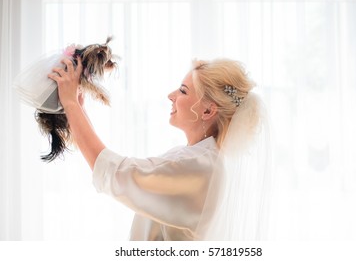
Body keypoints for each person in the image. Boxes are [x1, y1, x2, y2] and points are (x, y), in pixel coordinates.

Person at [48, 57, 271, 241]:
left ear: (207, 111)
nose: (171, 96)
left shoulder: (199, 165)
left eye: (183, 91)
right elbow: (113, 168)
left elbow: (115, 173)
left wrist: (71, 105)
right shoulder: (198, 157)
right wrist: (76, 110)